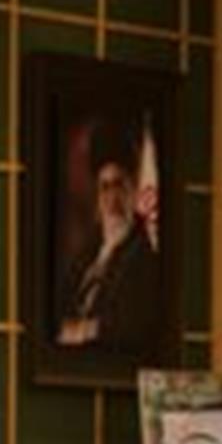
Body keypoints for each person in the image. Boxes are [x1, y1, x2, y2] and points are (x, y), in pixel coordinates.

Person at [55, 121, 162, 353]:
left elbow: (133, 325)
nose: (112, 198)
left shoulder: (144, 254)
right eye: (105, 187)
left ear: (134, 190)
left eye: (119, 185)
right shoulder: (86, 256)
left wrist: (85, 331)